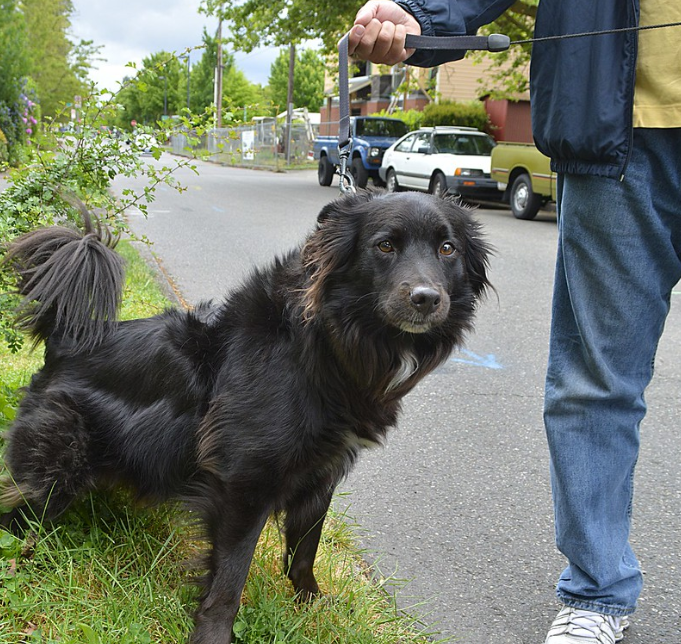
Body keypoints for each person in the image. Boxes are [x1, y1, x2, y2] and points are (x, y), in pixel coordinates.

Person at [348, 1, 681, 643]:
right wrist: (423, 14)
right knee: (596, 382)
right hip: (616, 136)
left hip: (612, 134)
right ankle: (598, 592)